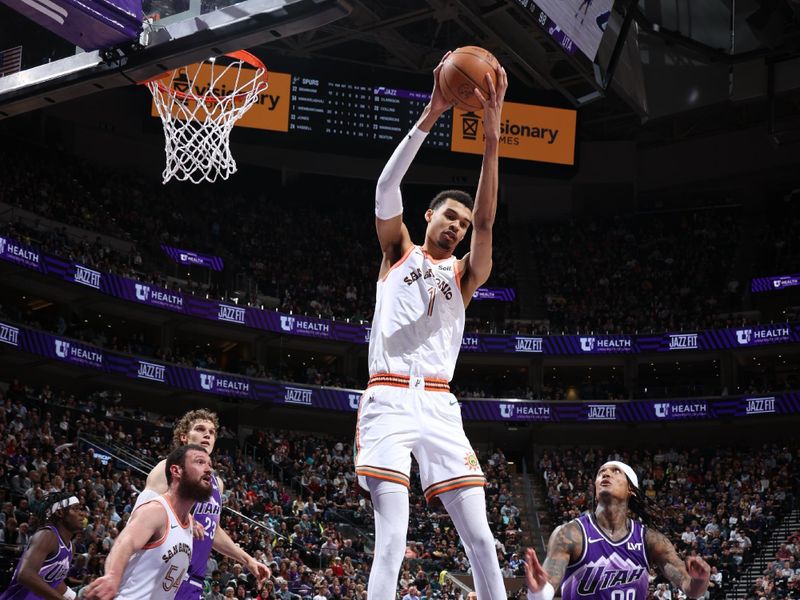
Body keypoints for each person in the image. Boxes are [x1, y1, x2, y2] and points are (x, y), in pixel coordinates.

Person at [354, 51, 508, 600]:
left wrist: (492, 140)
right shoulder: (397, 251)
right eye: (450, 217)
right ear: (428, 216)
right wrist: (434, 111)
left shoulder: (466, 274)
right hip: (390, 400)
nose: (458, 227)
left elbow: (489, 218)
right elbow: (384, 187)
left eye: (463, 225)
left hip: (441, 405)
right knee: (392, 538)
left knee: (483, 540)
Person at [523, 461, 711, 600]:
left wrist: (700, 580)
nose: (606, 474)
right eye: (601, 472)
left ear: (631, 488)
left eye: (615, 471)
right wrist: (538, 591)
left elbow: (691, 589)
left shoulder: (650, 540)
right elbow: (547, 588)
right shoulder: (571, 534)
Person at [134, 410, 269, 598]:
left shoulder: (216, 483)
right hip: (163, 575)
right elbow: (140, 516)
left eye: (212, 432)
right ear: (184, 437)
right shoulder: (167, 469)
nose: (208, 434)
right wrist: (185, 519)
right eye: (200, 429)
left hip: (194, 581)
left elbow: (212, 531)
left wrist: (248, 560)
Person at [84, 444, 213, 599]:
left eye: (210, 465)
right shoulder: (156, 511)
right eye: (200, 462)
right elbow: (124, 543)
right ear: (176, 471)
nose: (208, 469)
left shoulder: (186, 521)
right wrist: (112, 576)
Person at [0, 491, 85, 600]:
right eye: (75, 509)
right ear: (60, 513)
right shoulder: (47, 535)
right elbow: (25, 575)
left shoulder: (71, 547)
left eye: (81, 509)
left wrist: (74, 597)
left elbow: (55, 581)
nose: (82, 513)